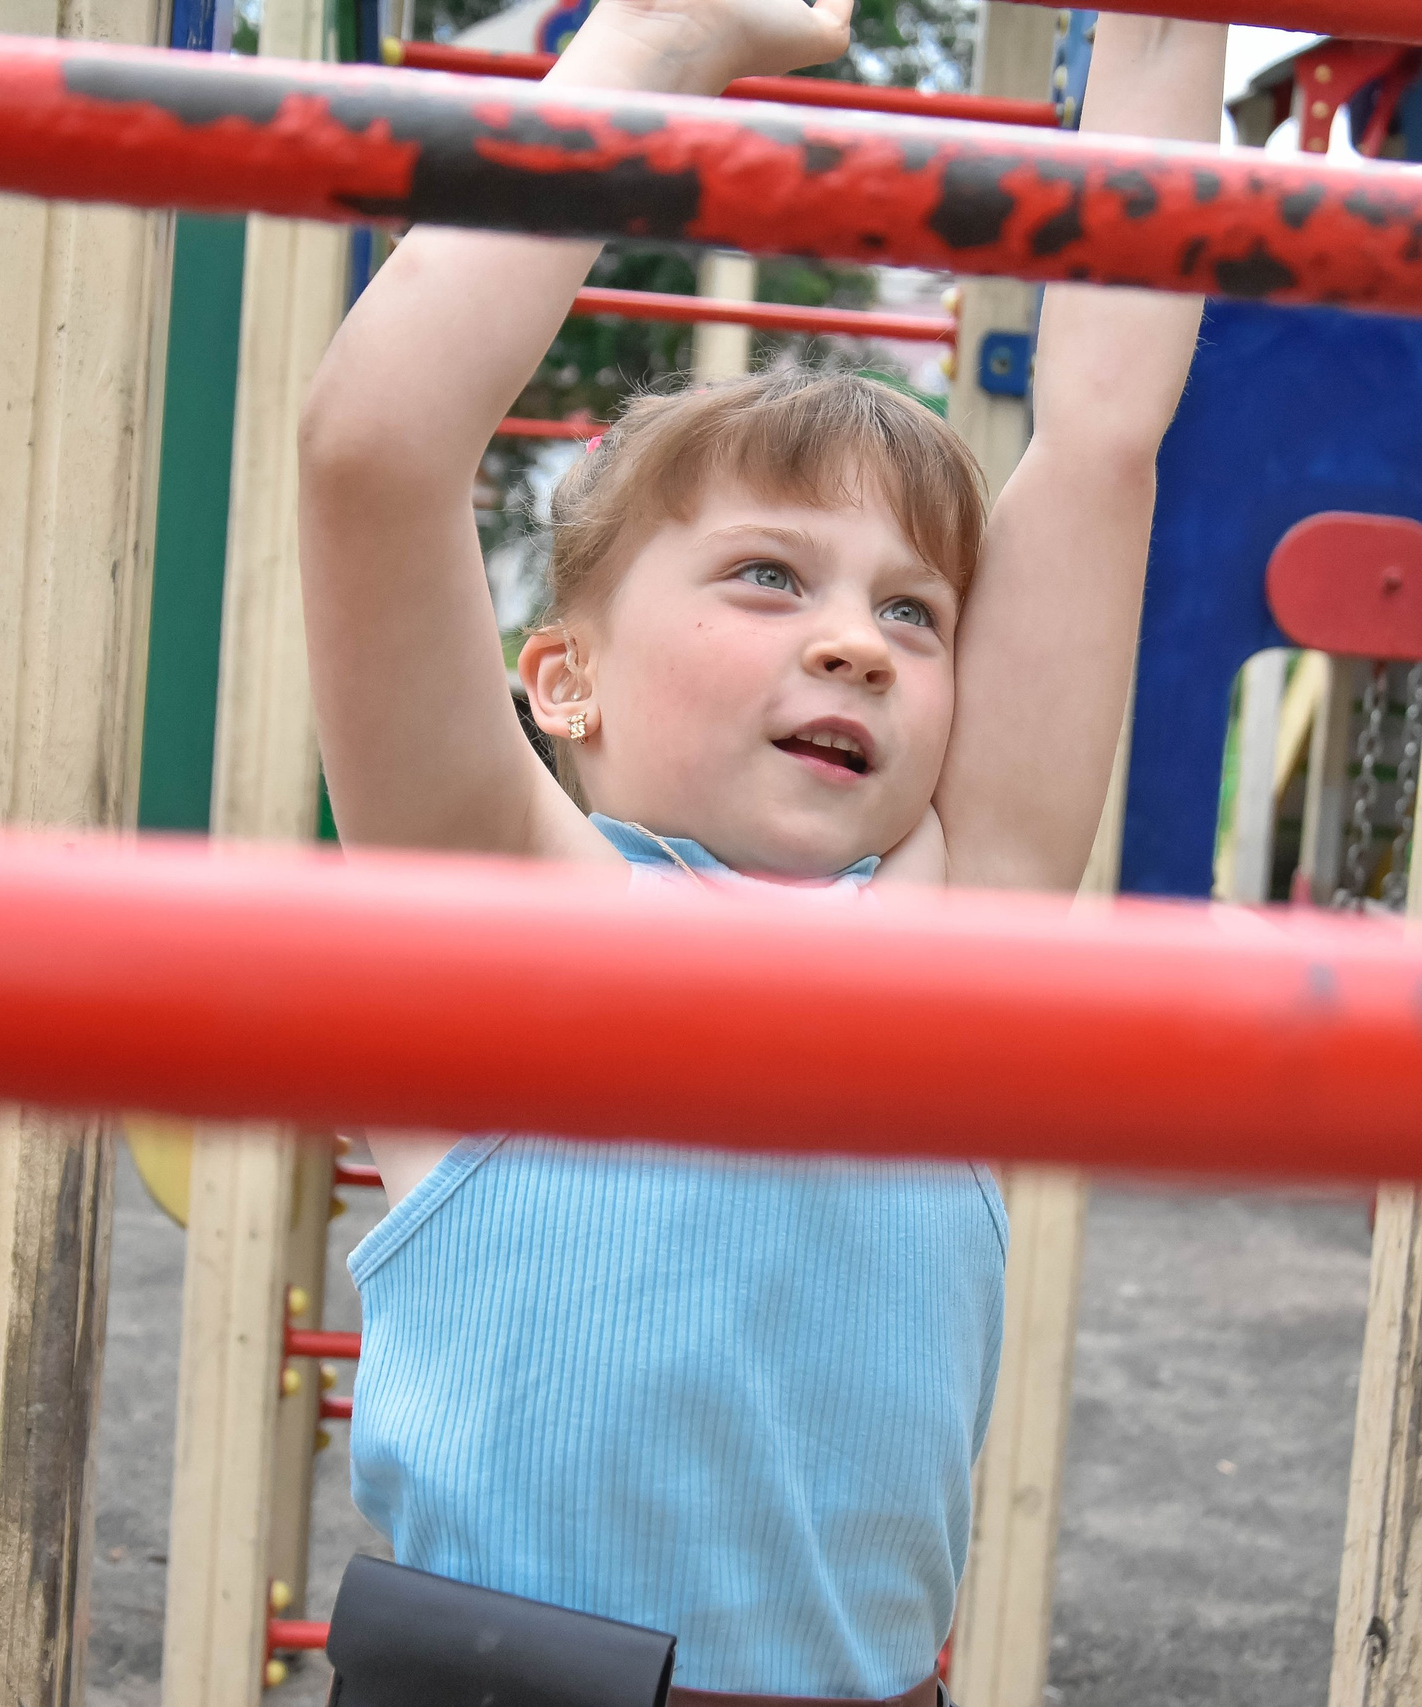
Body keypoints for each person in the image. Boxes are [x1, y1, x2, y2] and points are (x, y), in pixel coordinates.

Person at [297, 0, 1223, 1697]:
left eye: (914, 611)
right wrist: (646, 51)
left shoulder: (962, 926)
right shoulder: (502, 920)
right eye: (768, 578)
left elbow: (1100, 433)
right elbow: (375, 452)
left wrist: (1171, 43)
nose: (859, 641)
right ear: (560, 679)